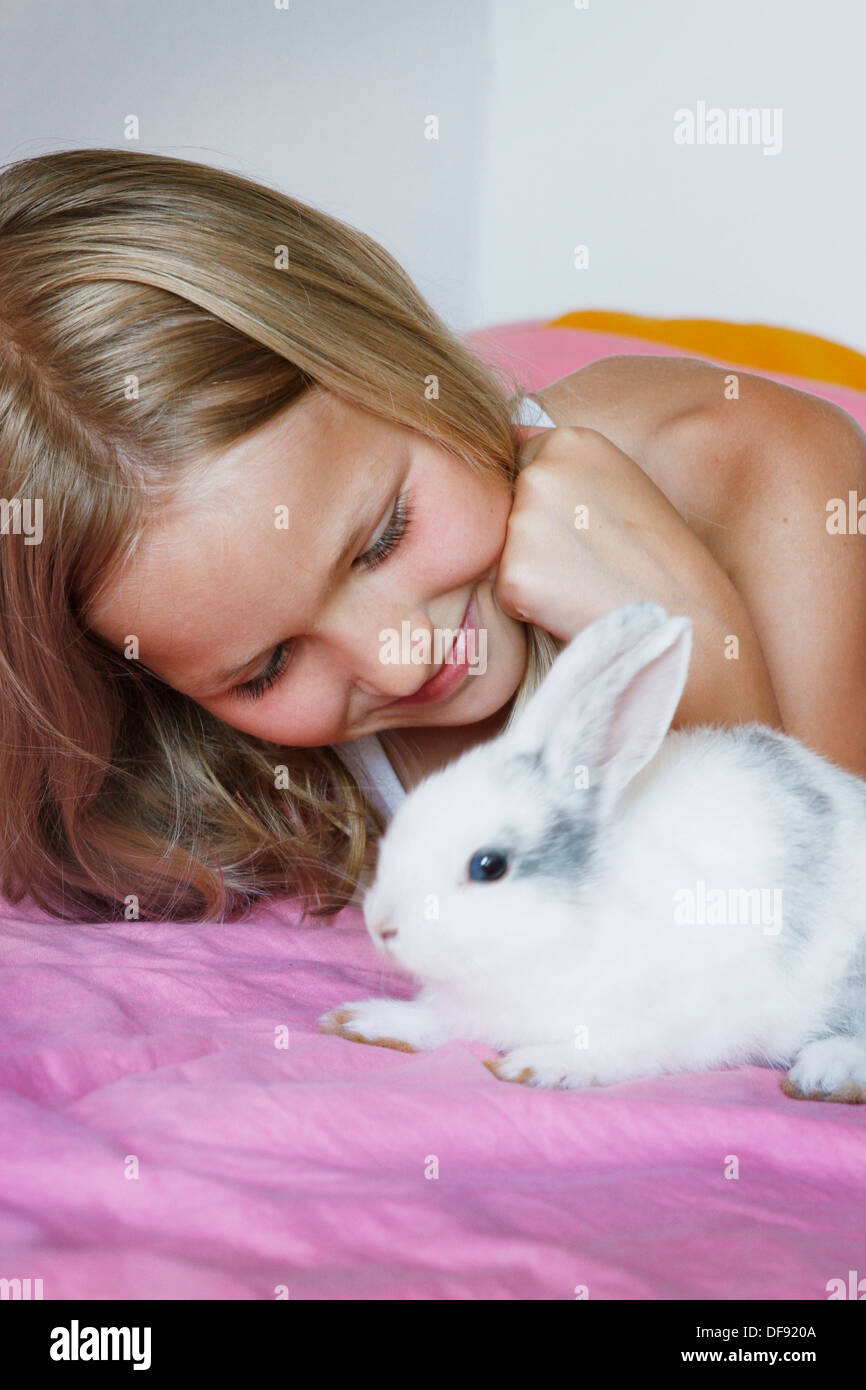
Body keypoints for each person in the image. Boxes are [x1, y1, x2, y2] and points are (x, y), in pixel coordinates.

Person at [1, 148, 864, 924]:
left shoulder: (764, 468)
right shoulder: (174, 747)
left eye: (383, 538)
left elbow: (813, 960)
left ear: (397, 348)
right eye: (266, 670)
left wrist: (695, 644)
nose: (400, 662)